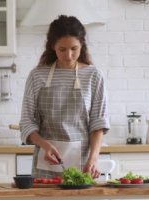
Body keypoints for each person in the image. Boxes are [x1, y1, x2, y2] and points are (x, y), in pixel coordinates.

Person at [20, 15, 110, 179]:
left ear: (82, 45)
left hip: (83, 164)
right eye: (62, 49)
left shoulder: (93, 75)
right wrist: (44, 145)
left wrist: (93, 159)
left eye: (74, 48)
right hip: (46, 163)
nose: (68, 55)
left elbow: (98, 123)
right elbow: (27, 121)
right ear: (52, 46)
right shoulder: (37, 75)